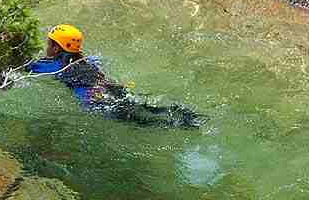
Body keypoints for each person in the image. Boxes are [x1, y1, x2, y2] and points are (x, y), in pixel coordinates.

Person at [26, 24, 202, 128]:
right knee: (137, 105)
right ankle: (178, 113)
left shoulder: (52, 66)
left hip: (94, 100)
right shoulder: (88, 60)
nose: (46, 46)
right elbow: (100, 59)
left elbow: (25, 67)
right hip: (111, 87)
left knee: (136, 122)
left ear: (56, 48)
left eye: (49, 43)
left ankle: (174, 125)